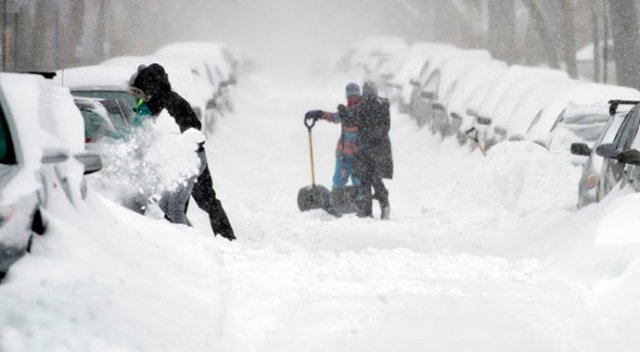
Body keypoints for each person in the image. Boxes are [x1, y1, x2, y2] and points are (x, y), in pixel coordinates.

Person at [129, 63, 236, 240]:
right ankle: (190, 241)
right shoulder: (155, 103)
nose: (141, 98)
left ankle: (213, 240)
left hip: (189, 158)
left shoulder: (171, 102)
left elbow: (195, 127)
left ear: (151, 88)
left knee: (190, 205)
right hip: (182, 159)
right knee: (177, 206)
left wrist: (178, 142)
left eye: (142, 93)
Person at [305, 82, 362, 191]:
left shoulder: (365, 111)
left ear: (359, 95)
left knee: (359, 182)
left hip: (358, 156)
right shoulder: (345, 111)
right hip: (343, 153)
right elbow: (334, 117)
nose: (352, 99)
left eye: (355, 96)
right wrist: (320, 114)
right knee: (338, 180)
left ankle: (359, 202)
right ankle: (337, 201)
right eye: (350, 96)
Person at [352, 80, 393, 220]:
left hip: (377, 150)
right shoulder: (362, 107)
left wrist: (369, 137)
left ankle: (383, 204)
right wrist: (344, 114)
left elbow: (384, 128)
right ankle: (367, 210)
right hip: (365, 150)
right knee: (365, 178)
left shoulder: (381, 106)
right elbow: (353, 120)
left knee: (374, 178)